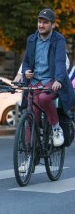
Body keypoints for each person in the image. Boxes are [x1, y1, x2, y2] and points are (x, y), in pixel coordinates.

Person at [22, 8, 75, 147]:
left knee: (44, 98)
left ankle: (56, 128)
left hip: (52, 80)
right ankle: (29, 153)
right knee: (31, 113)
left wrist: (58, 79)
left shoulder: (59, 39)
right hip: (35, 81)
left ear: (52, 25)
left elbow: (59, 61)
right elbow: (26, 61)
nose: (41, 25)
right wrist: (26, 71)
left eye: (45, 22)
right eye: (39, 22)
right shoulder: (31, 39)